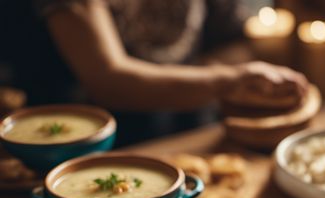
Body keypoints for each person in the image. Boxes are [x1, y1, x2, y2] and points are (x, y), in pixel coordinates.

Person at [1, 0, 308, 145]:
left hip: (194, 135)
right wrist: (229, 81)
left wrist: (241, 85)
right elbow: (109, 80)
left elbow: (232, 39)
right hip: (87, 150)